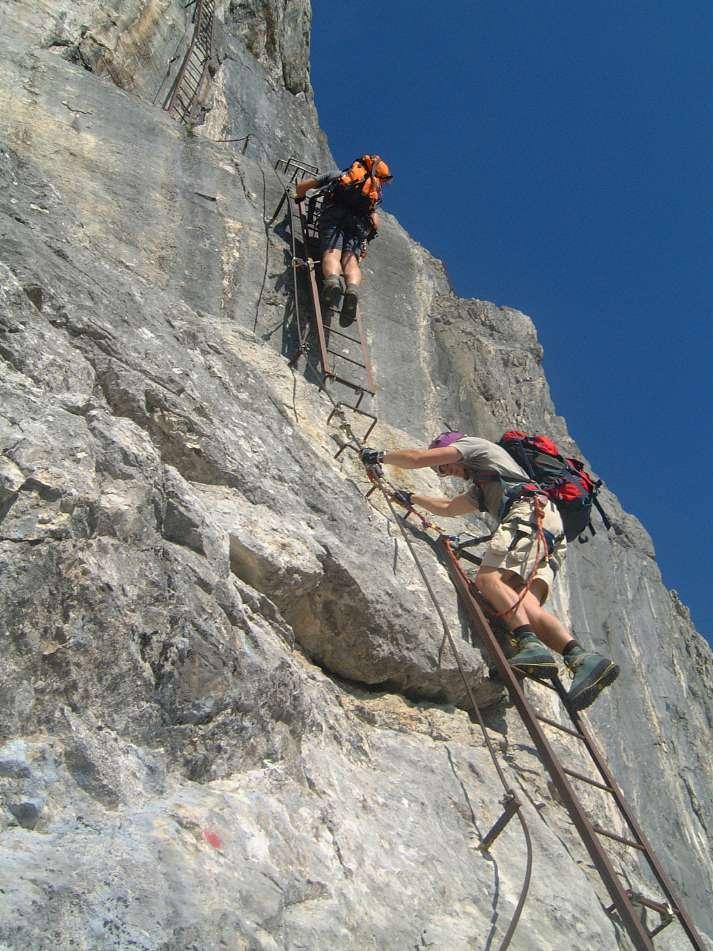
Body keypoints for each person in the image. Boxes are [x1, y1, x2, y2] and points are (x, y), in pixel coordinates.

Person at [360, 431, 620, 711]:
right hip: (549, 529)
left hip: (529, 514)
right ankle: (582, 658)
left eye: (445, 466)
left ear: (451, 448)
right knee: (527, 605)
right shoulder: (485, 482)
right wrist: (410, 497)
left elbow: (419, 459)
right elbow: (449, 508)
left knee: (487, 579)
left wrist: (378, 456)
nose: (447, 473)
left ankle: (529, 644)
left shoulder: (474, 447)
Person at [295, 155, 392, 326]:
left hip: (334, 216)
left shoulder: (340, 176)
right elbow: (375, 222)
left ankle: (332, 281)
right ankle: (352, 290)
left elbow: (303, 187)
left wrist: (299, 196)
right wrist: (366, 239)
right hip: (358, 226)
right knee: (351, 262)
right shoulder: (371, 193)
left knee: (332, 253)